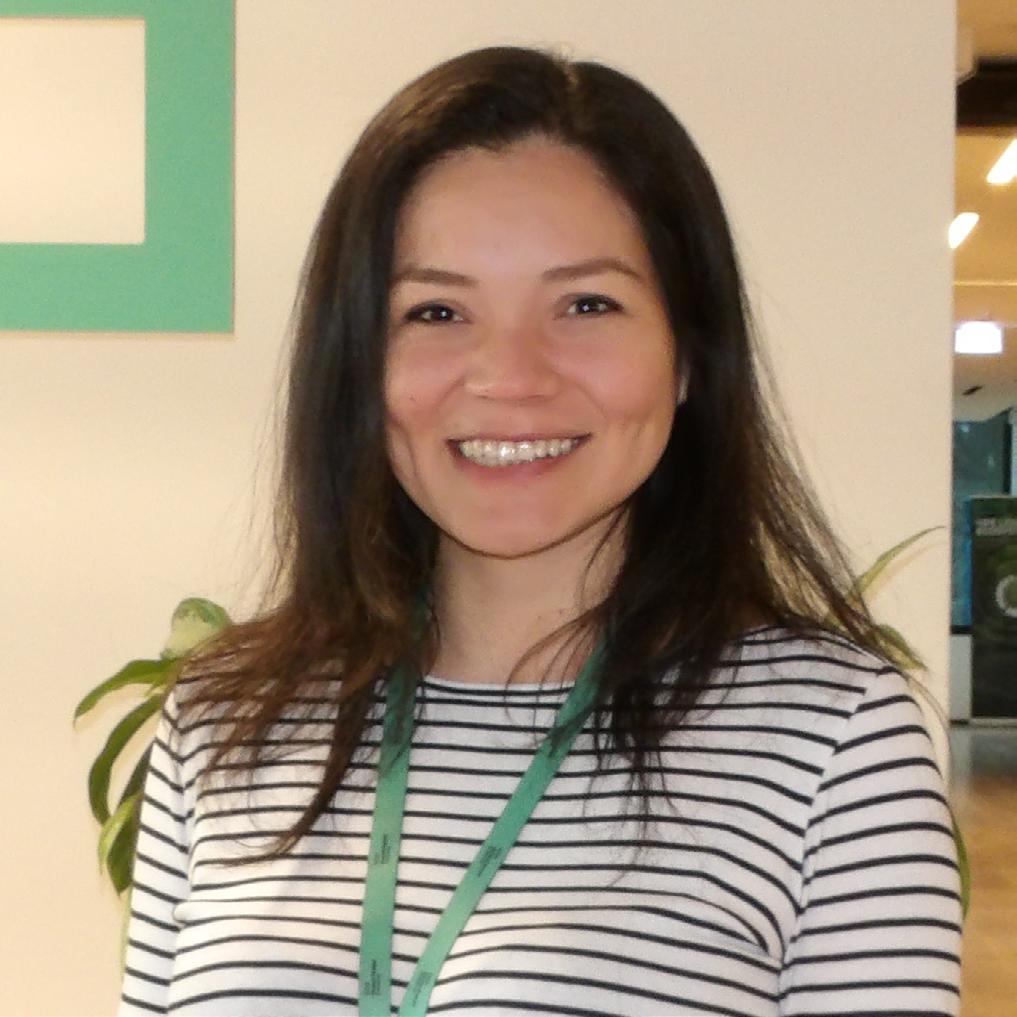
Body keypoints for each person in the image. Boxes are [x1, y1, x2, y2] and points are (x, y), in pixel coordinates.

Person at [119, 46, 962, 1017]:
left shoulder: (834, 734)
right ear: (357, 362)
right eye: (436, 310)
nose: (510, 376)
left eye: (586, 304)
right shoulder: (222, 718)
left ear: (689, 354)